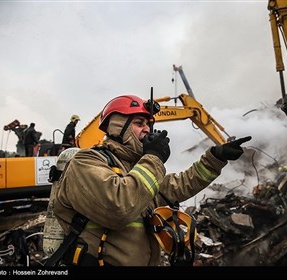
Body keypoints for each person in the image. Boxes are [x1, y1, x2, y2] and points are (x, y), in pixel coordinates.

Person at [52, 95, 251, 266]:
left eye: (149, 124)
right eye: (139, 124)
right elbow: (119, 207)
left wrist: (215, 158)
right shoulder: (87, 161)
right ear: (118, 126)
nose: (147, 129)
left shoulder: (135, 167)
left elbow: (177, 186)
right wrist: (154, 157)